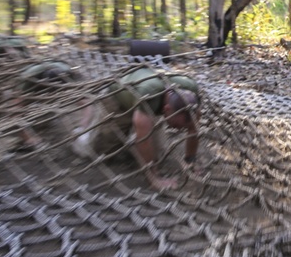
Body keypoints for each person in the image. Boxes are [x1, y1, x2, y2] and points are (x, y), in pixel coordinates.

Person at [71, 67, 201, 191]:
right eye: (177, 125)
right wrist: (155, 179)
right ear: (167, 109)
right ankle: (83, 130)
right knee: (98, 152)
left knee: (158, 156)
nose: (178, 129)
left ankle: (132, 140)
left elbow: (193, 128)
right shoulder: (149, 94)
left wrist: (190, 160)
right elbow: (144, 139)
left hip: (148, 108)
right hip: (119, 100)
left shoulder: (191, 92)